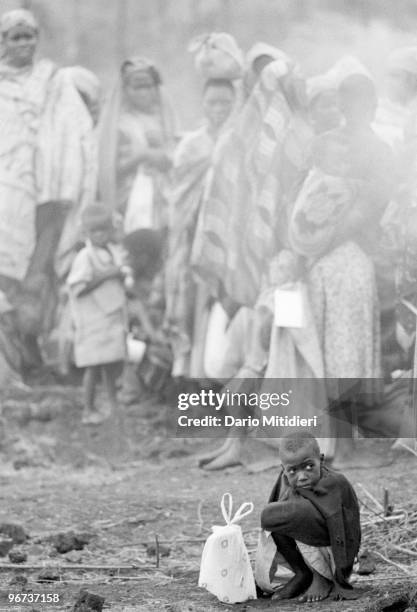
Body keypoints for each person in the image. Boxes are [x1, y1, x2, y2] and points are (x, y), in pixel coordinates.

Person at [0, 8, 94, 378]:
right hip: (3, 188)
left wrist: (57, 178)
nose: (23, 43)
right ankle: (9, 358)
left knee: (36, 269)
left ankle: (32, 345)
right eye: (15, 37)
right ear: (3, 42)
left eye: (28, 36)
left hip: (41, 190)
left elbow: (73, 132)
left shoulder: (53, 81)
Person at [165, 78, 236, 378]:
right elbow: (178, 197)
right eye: (212, 102)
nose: (218, 109)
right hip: (192, 238)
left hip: (229, 241)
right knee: (191, 307)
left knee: (222, 309)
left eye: (225, 102)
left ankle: (222, 379)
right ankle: (192, 380)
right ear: (202, 105)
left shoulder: (239, 140)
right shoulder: (191, 145)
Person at [256, 432, 361, 603]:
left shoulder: (335, 483)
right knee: (273, 516)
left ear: (321, 460)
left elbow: (344, 529)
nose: (302, 476)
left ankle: (323, 578)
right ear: (283, 469)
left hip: (336, 548)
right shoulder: (285, 480)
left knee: (300, 513)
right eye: (292, 470)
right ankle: (302, 573)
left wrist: (339, 572)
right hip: (308, 540)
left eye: (309, 466)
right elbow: (272, 514)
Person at [67, 205, 133, 425]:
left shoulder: (111, 251)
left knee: (110, 364)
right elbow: (78, 287)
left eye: (104, 231)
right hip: (93, 319)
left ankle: (113, 405)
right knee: (92, 367)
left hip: (110, 317)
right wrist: (106, 275)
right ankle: (88, 408)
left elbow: (120, 278)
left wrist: (120, 276)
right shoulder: (85, 257)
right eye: (95, 232)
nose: (100, 236)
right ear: (86, 233)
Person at [98, 56, 178, 235]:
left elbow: (175, 157)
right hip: (130, 201)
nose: (144, 92)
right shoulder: (119, 126)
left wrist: (161, 158)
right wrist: (142, 156)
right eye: (137, 87)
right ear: (126, 90)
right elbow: (108, 169)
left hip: (165, 200)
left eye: (148, 86)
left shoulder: (165, 122)